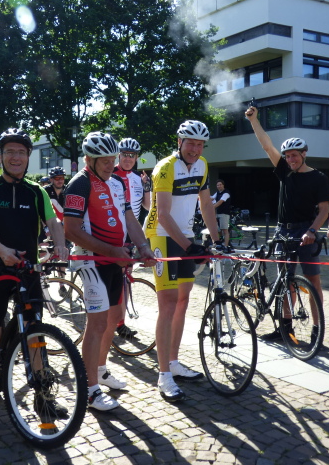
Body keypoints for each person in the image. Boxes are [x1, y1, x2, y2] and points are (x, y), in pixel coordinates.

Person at [0, 128, 68, 436]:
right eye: (10, 151)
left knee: (35, 337)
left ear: (27, 158)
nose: (16, 157)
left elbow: (53, 221)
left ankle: (43, 398)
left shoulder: (36, 191)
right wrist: (1, 251)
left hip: (28, 270)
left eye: (21, 152)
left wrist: (61, 244)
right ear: (1, 156)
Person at [64, 132, 156, 410]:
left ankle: (100, 370)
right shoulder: (78, 184)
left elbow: (129, 216)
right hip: (92, 262)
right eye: (103, 160)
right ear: (88, 159)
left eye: (112, 159)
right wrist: (114, 252)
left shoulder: (117, 181)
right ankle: (90, 390)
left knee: (113, 318)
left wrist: (143, 246)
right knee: (97, 325)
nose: (109, 164)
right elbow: (72, 230)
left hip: (116, 261)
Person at [144, 120, 220, 402]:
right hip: (162, 236)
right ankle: (163, 374)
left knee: (183, 301)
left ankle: (174, 362)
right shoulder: (165, 167)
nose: (195, 149)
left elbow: (206, 203)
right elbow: (162, 214)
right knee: (167, 303)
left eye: (200, 144)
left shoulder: (202, 165)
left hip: (185, 235)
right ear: (180, 142)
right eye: (191, 143)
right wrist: (190, 247)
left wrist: (217, 238)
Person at [245, 106, 329, 340]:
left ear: (304, 153)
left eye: (294, 155)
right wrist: (254, 120)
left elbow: (324, 209)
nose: (290, 159)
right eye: (287, 156)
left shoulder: (318, 178)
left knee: (313, 281)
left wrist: (313, 230)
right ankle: (285, 328)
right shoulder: (285, 172)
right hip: (283, 230)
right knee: (285, 280)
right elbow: (266, 145)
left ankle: (317, 329)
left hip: (306, 230)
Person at [112, 137, 151, 338]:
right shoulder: (109, 174)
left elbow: (146, 206)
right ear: (119, 154)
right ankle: (110, 321)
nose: (128, 158)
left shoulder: (138, 178)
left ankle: (121, 323)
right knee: (114, 280)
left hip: (131, 234)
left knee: (126, 280)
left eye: (132, 155)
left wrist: (147, 187)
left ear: (137, 157)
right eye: (125, 154)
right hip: (112, 232)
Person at [212, 179, 232, 249]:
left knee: (225, 231)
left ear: (223, 185)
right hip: (218, 213)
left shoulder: (226, 193)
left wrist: (211, 207)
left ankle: (226, 246)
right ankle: (219, 244)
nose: (219, 186)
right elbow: (211, 198)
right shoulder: (217, 193)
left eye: (220, 185)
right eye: (218, 185)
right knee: (218, 230)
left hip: (224, 214)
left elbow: (220, 202)